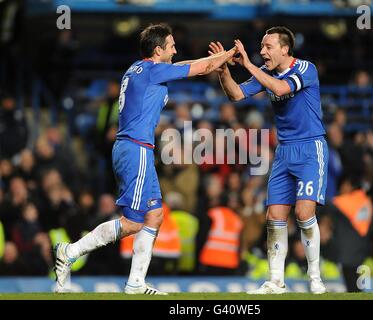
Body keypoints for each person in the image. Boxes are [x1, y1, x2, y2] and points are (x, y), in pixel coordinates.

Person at [53, 23, 237, 294]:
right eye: (171, 46)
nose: (175, 50)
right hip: (135, 149)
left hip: (137, 148)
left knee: (153, 215)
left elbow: (191, 64)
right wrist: (231, 53)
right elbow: (199, 68)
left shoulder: (139, 69)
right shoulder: (151, 70)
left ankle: (136, 283)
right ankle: (70, 251)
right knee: (133, 222)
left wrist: (213, 59)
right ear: (158, 50)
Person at [209, 26, 328, 294]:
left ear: (285, 49)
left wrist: (249, 64)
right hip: (284, 151)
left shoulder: (305, 69)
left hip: (310, 148)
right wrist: (224, 72)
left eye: (268, 47)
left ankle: (315, 277)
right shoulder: (267, 73)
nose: (263, 51)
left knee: (303, 213)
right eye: (261, 47)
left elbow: (280, 87)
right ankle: (276, 281)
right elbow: (236, 95)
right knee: (274, 215)